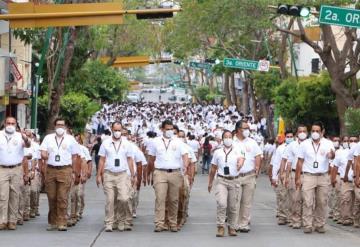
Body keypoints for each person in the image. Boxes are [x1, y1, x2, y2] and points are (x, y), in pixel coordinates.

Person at [147, 119, 189, 232]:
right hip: (160, 172)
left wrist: (185, 166)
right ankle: (159, 223)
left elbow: (185, 155)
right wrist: (150, 173)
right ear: (162, 129)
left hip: (175, 173)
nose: (170, 131)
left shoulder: (178, 141)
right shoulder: (155, 141)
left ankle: (173, 223)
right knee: (160, 198)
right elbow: (151, 158)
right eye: (167, 129)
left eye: (171, 129)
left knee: (174, 199)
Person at [40, 118, 81, 231]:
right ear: (55, 126)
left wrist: (74, 172)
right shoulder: (48, 138)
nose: (60, 127)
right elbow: (42, 151)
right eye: (58, 125)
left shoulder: (70, 139)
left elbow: (75, 156)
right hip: (51, 169)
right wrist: (44, 155)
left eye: (62, 125)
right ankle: (53, 222)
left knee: (62, 197)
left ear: (65, 127)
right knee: (52, 197)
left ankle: (62, 221)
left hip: (65, 169)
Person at [295, 121, 335, 234]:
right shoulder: (305, 144)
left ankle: (319, 224)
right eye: (313, 131)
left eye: (317, 131)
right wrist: (297, 178)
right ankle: (307, 224)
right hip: (308, 176)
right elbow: (300, 162)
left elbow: (333, 155)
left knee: (322, 202)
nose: (315, 133)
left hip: (323, 176)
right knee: (308, 201)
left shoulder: (328, 143)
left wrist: (331, 155)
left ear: (322, 132)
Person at [96, 121, 135, 232]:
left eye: (119, 130)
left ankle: (121, 220)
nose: (117, 132)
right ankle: (109, 222)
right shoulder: (105, 143)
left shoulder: (127, 143)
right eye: (115, 130)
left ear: (122, 130)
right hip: (109, 174)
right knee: (110, 200)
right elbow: (102, 159)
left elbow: (130, 159)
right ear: (112, 130)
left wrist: (133, 175)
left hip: (122, 175)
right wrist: (99, 175)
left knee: (124, 198)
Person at [208, 130, 245, 237]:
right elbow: (213, 168)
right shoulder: (217, 152)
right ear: (222, 139)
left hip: (234, 180)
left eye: (229, 137)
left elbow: (242, 159)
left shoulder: (238, 149)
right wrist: (210, 182)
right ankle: (220, 226)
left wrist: (240, 164)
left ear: (232, 138)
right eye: (226, 137)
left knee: (233, 206)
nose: (228, 139)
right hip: (221, 180)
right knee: (222, 203)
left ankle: (232, 227)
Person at [0, 117, 31, 230]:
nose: (10, 125)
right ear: (4, 123)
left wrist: (25, 137)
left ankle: (12, 221)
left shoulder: (19, 135)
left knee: (14, 194)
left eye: (12, 123)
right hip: (2, 168)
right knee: (3, 195)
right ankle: (2, 220)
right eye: (8, 123)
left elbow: (28, 145)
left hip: (16, 168)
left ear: (16, 124)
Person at [233, 120, 262, 232]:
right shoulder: (232, 142)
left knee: (247, 201)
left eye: (248, 128)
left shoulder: (252, 142)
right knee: (235, 201)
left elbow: (258, 155)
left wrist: (257, 168)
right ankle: (234, 224)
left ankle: (244, 224)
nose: (247, 131)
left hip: (249, 175)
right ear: (238, 130)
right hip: (236, 176)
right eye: (245, 128)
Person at [280, 125, 308, 229]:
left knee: (308, 199)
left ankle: (307, 220)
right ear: (297, 133)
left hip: (308, 174)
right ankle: (295, 220)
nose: (302, 133)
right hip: (294, 173)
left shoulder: (310, 144)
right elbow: (289, 161)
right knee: (295, 198)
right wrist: (286, 176)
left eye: (304, 131)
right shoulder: (292, 145)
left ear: (307, 132)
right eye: (300, 131)